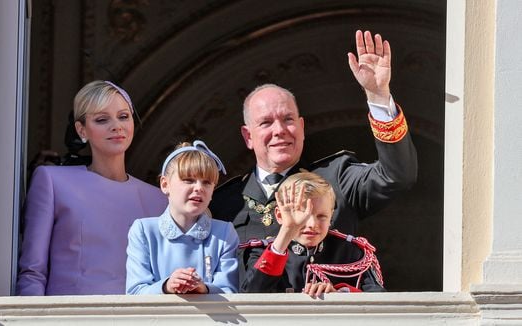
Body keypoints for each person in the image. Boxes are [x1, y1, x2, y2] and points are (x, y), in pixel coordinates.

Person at [209, 30, 418, 279]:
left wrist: (378, 95)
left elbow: (397, 175)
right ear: (248, 137)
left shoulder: (336, 177)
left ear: (302, 127)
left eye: (288, 119)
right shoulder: (223, 202)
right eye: (266, 123)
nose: (280, 131)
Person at [16, 80, 167, 295]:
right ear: (81, 130)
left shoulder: (159, 200)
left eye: (123, 116)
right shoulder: (51, 181)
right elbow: (32, 272)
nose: (116, 126)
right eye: (102, 119)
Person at [242, 172, 385, 296]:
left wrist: (340, 295)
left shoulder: (353, 252)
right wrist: (286, 232)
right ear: (279, 216)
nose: (312, 224)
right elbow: (250, 294)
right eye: (302, 214)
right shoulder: (261, 252)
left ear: (331, 216)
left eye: (321, 216)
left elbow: (381, 301)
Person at [125, 140, 239, 295]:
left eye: (206, 182)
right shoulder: (144, 230)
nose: (199, 188)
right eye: (188, 180)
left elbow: (230, 292)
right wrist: (167, 286)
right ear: (165, 185)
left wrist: (204, 289)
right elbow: (135, 292)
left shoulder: (224, 232)